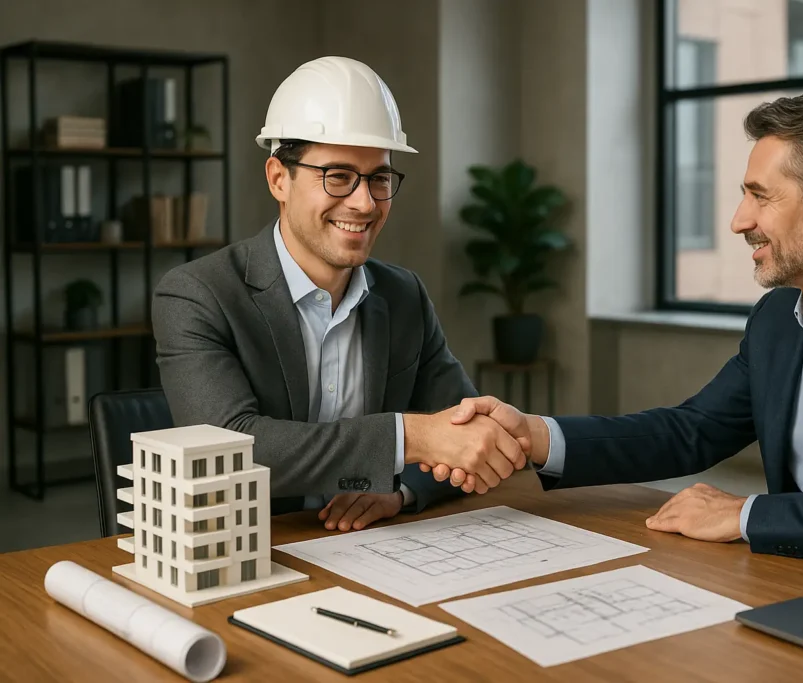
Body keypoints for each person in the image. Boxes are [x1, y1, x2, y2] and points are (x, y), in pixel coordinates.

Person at [432, 91, 803, 569]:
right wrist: (536, 434)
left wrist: (743, 515)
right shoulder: (775, 322)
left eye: (760, 196)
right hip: (792, 579)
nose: (739, 221)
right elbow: (692, 431)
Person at [151, 56, 525, 532]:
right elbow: (231, 447)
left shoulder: (404, 294)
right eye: (338, 176)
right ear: (278, 179)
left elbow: (465, 435)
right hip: (248, 550)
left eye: (379, 178)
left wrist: (402, 490)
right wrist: (408, 436)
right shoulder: (197, 295)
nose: (365, 202)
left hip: (374, 549)